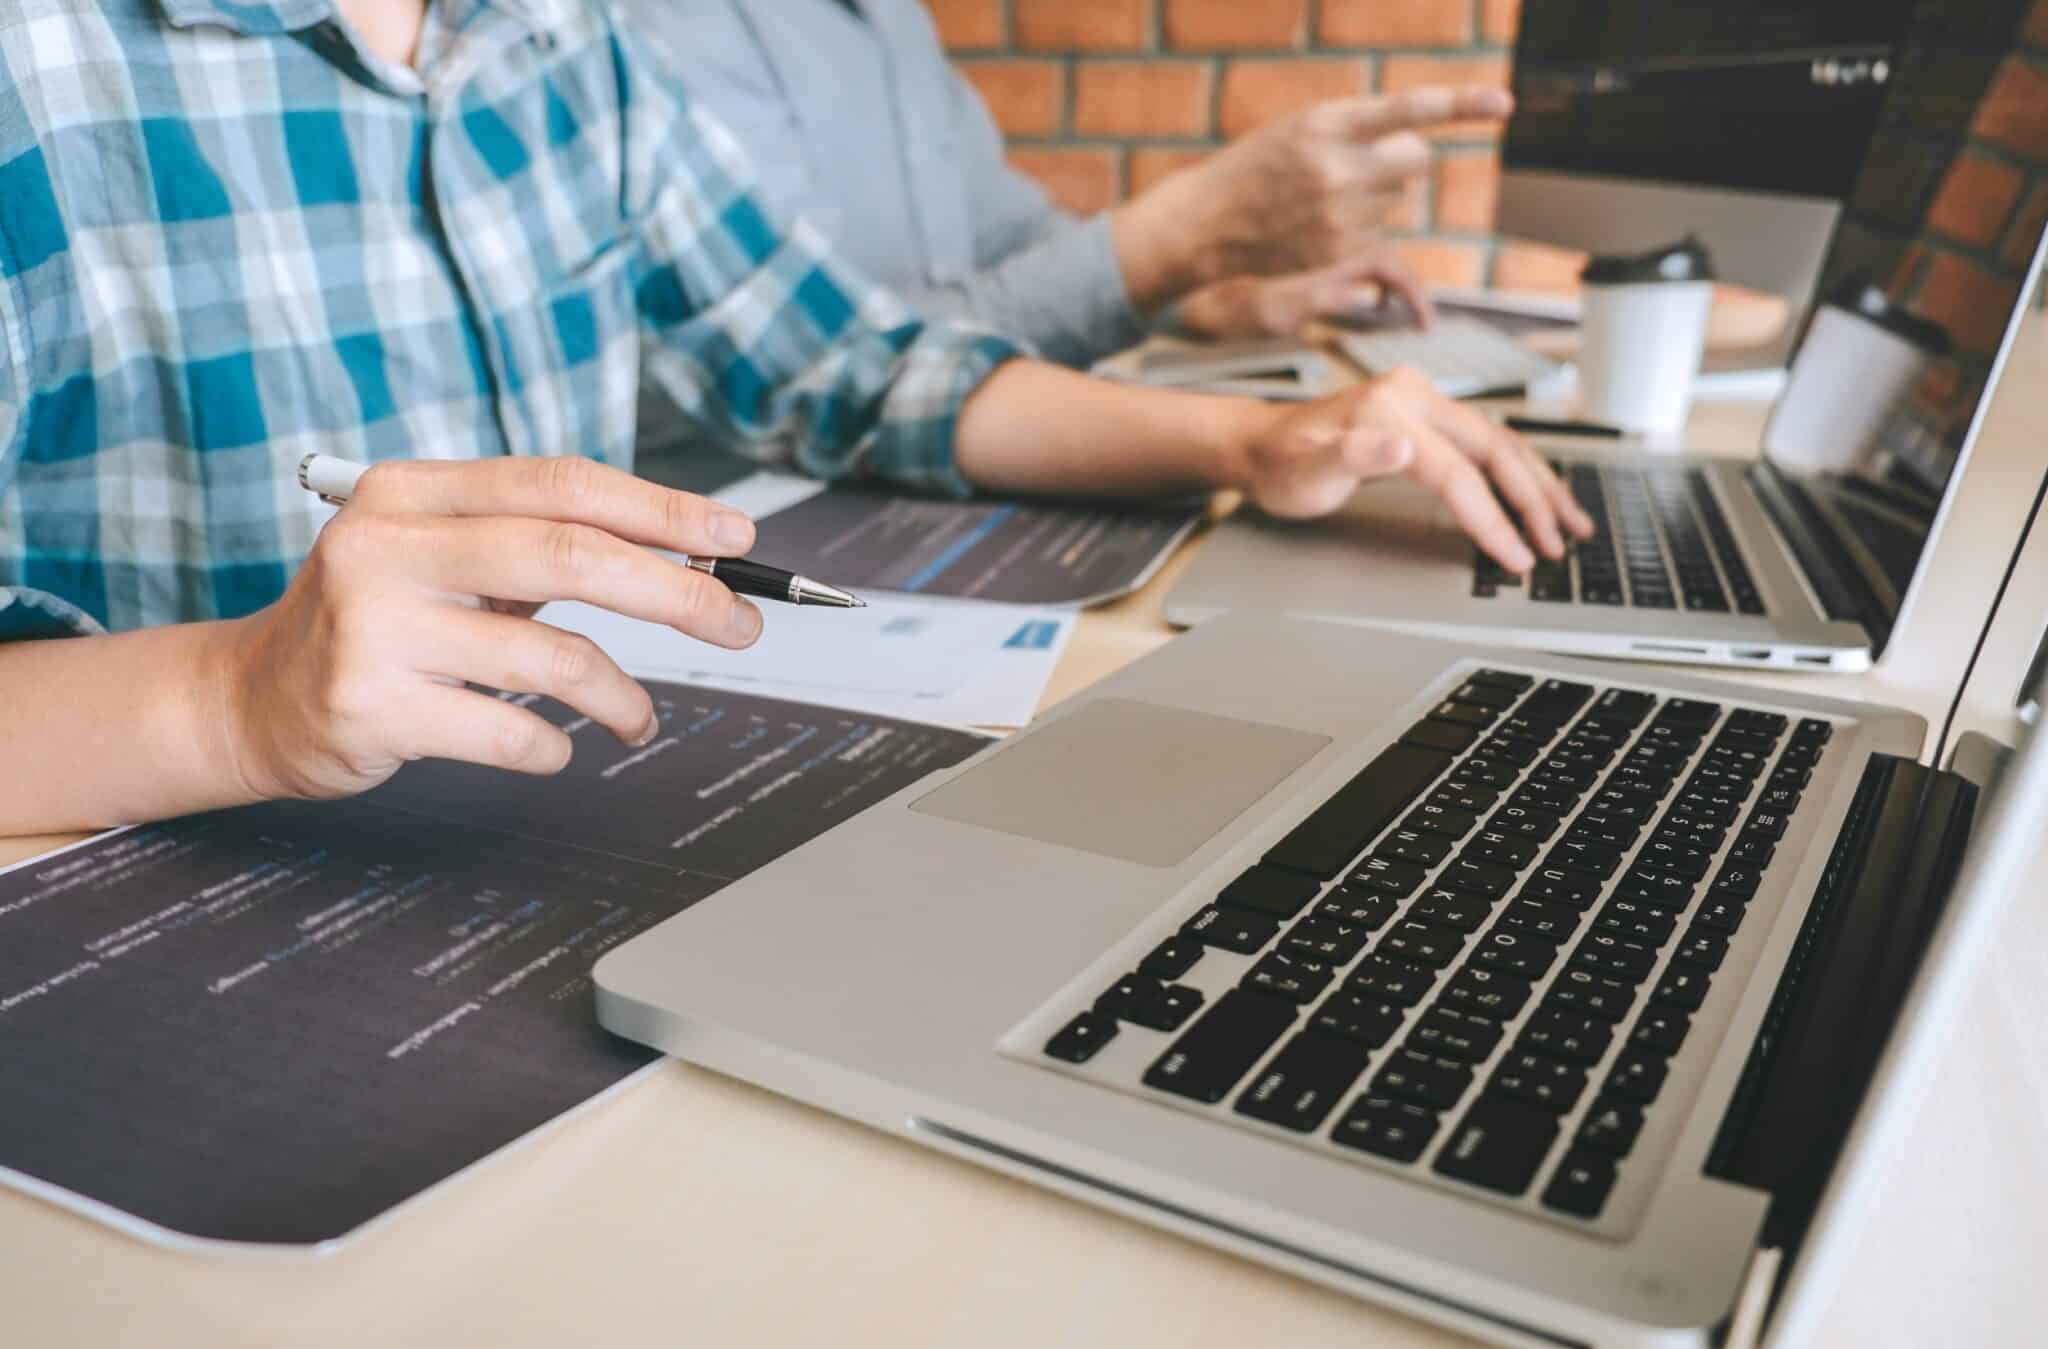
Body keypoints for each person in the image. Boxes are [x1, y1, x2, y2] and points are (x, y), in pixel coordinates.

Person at [0, 0, 1589, 839]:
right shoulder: (36, 62)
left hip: (520, 829)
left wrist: (1248, 447)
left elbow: (853, 362)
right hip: (168, 889)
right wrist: (237, 703)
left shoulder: (569, 35)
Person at [623, 0, 1451, 369]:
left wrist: (1206, 292)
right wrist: (1181, 235)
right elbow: (805, 355)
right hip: (743, 524)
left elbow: (1013, 233)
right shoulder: (657, 25)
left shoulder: (894, 19)